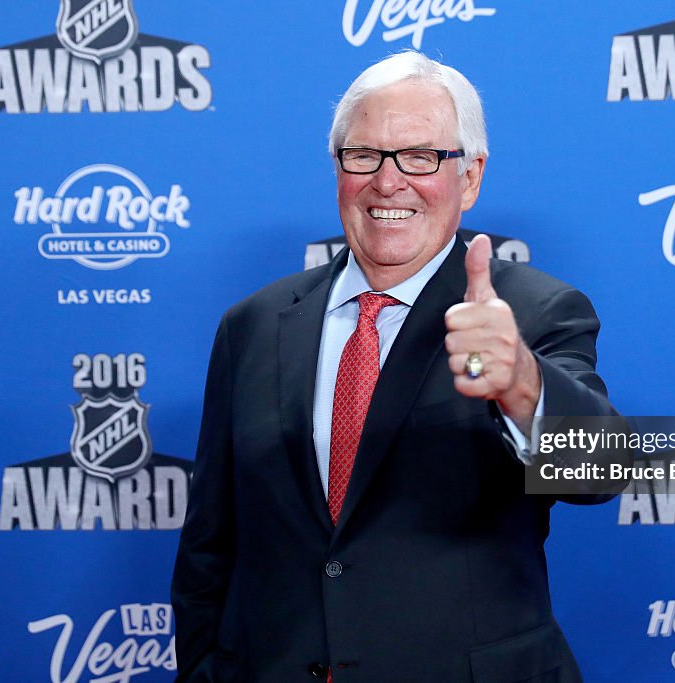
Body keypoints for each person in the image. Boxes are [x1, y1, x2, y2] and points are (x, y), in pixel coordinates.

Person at [171, 51, 624, 682]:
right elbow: (208, 548)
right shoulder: (251, 325)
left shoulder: (532, 310)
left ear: (470, 177)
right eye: (364, 156)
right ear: (338, 168)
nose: (388, 182)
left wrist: (522, 381)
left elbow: (603, 468)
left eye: (422, 157)